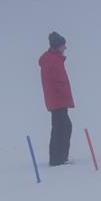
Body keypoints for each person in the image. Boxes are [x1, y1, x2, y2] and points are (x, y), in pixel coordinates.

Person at [39, 32, 74, 166]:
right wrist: (62, 94)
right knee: (61, 128)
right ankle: (57, 160)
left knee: (64, 127)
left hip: (58, 100)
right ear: (57, 46)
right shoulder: (52, 61)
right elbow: (54, 82)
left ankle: (61, 158)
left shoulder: (54, 59)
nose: (65, 47)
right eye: (63, 45)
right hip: (58, 101)